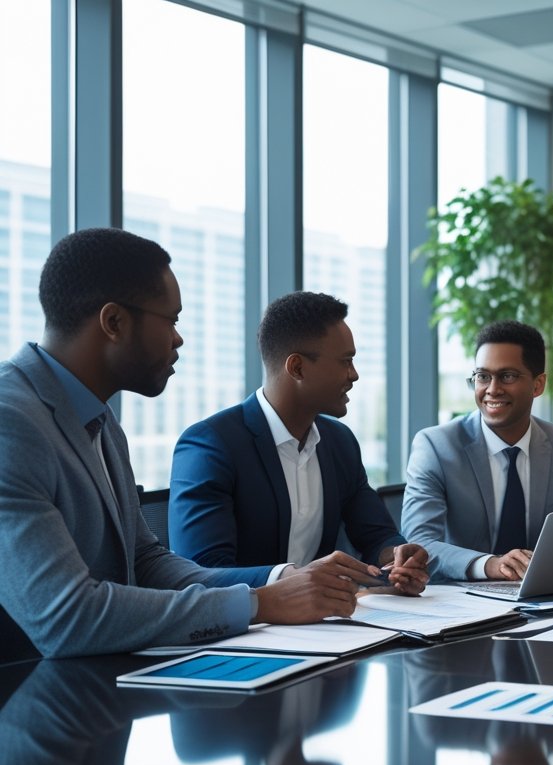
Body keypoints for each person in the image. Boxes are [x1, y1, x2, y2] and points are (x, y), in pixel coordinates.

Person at [0, 228, 382, 661]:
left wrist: (274, 588)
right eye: (172, 321)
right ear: (114, 323)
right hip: (24, 704)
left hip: (99, 696)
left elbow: (145, 561)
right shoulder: (10, 422)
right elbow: (66, 617)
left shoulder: (101, 421)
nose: (179, 339)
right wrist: (261, 603)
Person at [169, 291, 427, 594]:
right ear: (297, 368)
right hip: (244, 629)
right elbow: (202, 572)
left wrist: (397, 561)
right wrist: (295, 577)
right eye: (345, 361)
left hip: (327, 628)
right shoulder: (211, 445)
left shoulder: (339, 442)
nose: (354, 375)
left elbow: (377, 536)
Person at [401, 320, 553, 582]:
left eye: (507, 376)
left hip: (543, 596)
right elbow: (419, 541)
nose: (492, 389)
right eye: (483, 376)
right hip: (460, 599)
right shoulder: (436, 446)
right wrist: (489, 565)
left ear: (538, 385)